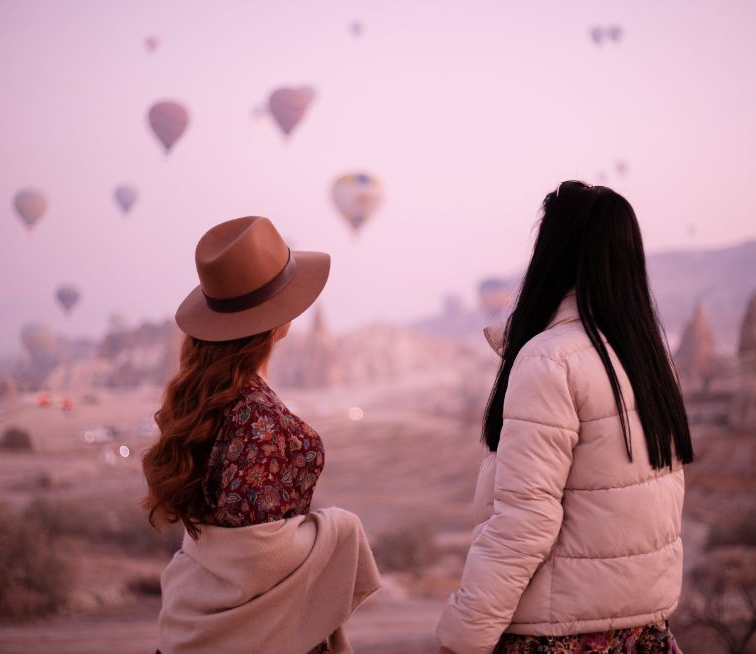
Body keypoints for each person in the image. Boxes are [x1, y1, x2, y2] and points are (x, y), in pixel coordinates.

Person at [437, 182, 694, 654]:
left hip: (560, 637)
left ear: (551, 253)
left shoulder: (549, 360)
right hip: (645, 633)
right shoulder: (650, 360)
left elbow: (525, 521)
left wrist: (463, 637)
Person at [142, 216, 380, 654]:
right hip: (262, 635)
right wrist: (340, 529)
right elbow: (254, 557)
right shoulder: (258, 420)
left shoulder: (206, 400)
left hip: (197, 624)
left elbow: (229, 539)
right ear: (278, 318)